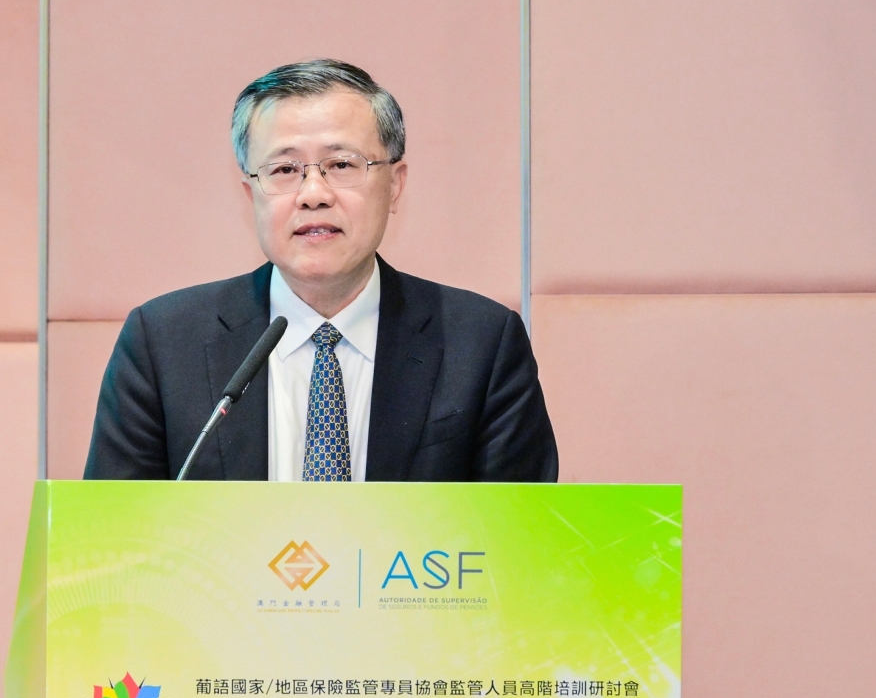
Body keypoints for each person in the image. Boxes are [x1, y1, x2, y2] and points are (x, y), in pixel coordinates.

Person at [84, 60, 557, 482]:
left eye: (341, 164)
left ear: (395, 185)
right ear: (251, 196)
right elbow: (113, 541)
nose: (313, 194)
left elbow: (523, 540)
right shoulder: (163, 344)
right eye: (284, 170)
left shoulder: (481, 344)